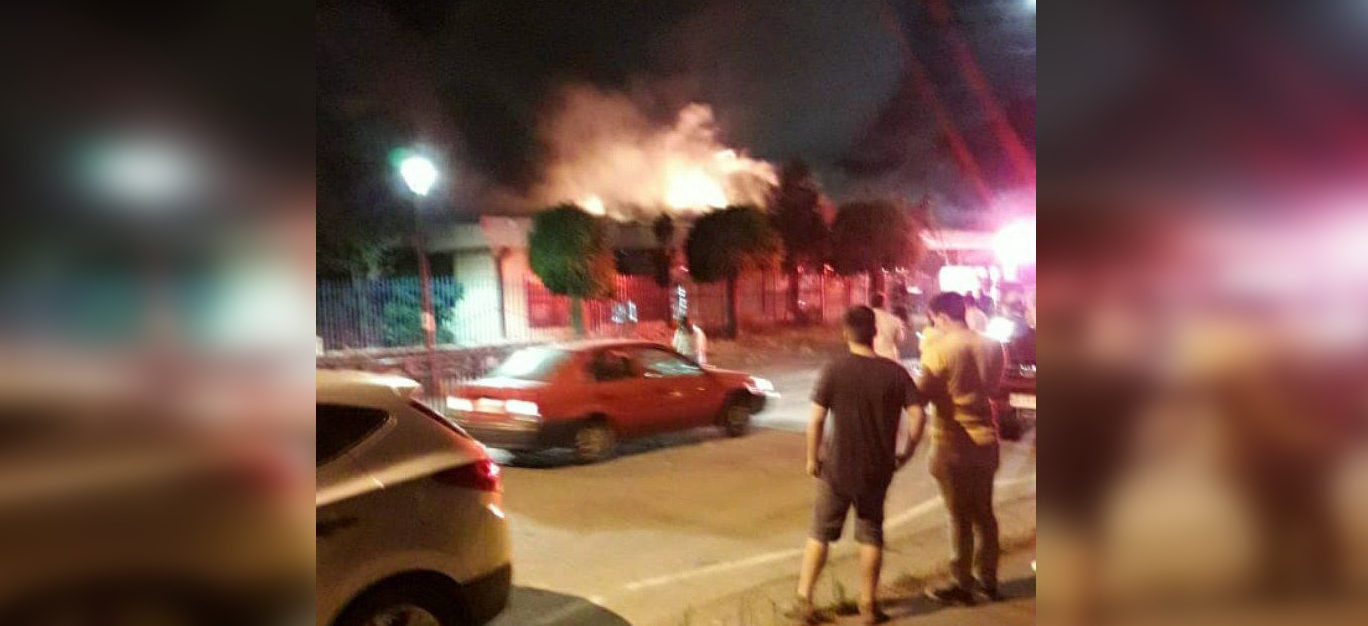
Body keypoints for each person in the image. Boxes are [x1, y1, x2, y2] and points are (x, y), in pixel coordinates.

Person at [793, 306, 925, 624]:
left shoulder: (833, 370)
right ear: (875, 333)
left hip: (836, 469)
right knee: (871, 534)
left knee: (820, 534)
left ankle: (805, 601)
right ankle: (868, 605)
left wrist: (812, 458)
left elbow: (816, 419)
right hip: (877, 469)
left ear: (845, 333)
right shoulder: (895, 373)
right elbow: (919, 415)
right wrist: (906, 452)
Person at [917, 292, 1007, 604]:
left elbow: (921, 394)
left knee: (958, 516)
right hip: (986, 438)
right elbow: (994, 387)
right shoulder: (992, 345)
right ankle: (989, 579)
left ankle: (962, 582)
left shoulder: (938, 349)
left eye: (933, 319)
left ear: (940, 317)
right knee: (984, 513)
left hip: (951, 440)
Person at [869, 293, 906, 362]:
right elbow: (900, 339)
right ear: (883, 303)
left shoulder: (866, 317)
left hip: (870, 356)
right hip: (889, 357)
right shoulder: (894, 320)